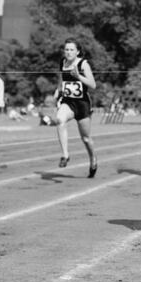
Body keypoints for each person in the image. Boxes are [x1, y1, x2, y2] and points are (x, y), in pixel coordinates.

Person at [54, 38, 98, 178]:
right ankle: (65, 155)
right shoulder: (62, 62)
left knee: (85, 138)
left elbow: (93, 85)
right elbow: (62, 79)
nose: (68, 52)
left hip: (82, 104)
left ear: (77, 51)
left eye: (71, 49)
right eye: (66, 49)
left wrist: (78, 76)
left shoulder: (83, 64)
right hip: (68, 102)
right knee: (60, 120)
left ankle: (93, 159)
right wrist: (58, 89)